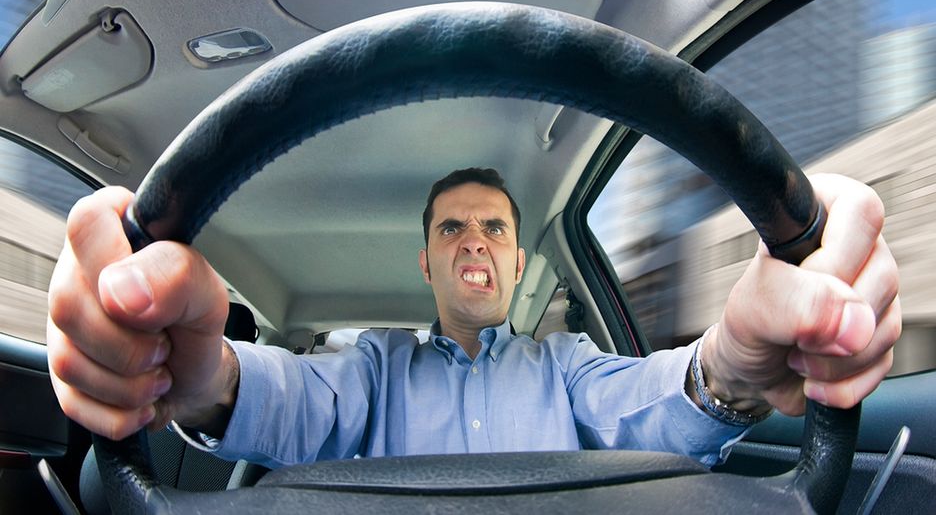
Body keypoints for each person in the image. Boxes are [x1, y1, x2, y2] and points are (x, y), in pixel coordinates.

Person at [46, 168, 900, 468]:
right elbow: (301, 397)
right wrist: (206, 379)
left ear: (518, 262)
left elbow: (646, 397)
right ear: (428, 262)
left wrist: (733, 363)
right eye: (451, 228)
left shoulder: (566, 364)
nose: (474, 240)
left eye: (494, 226)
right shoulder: (376, 364)